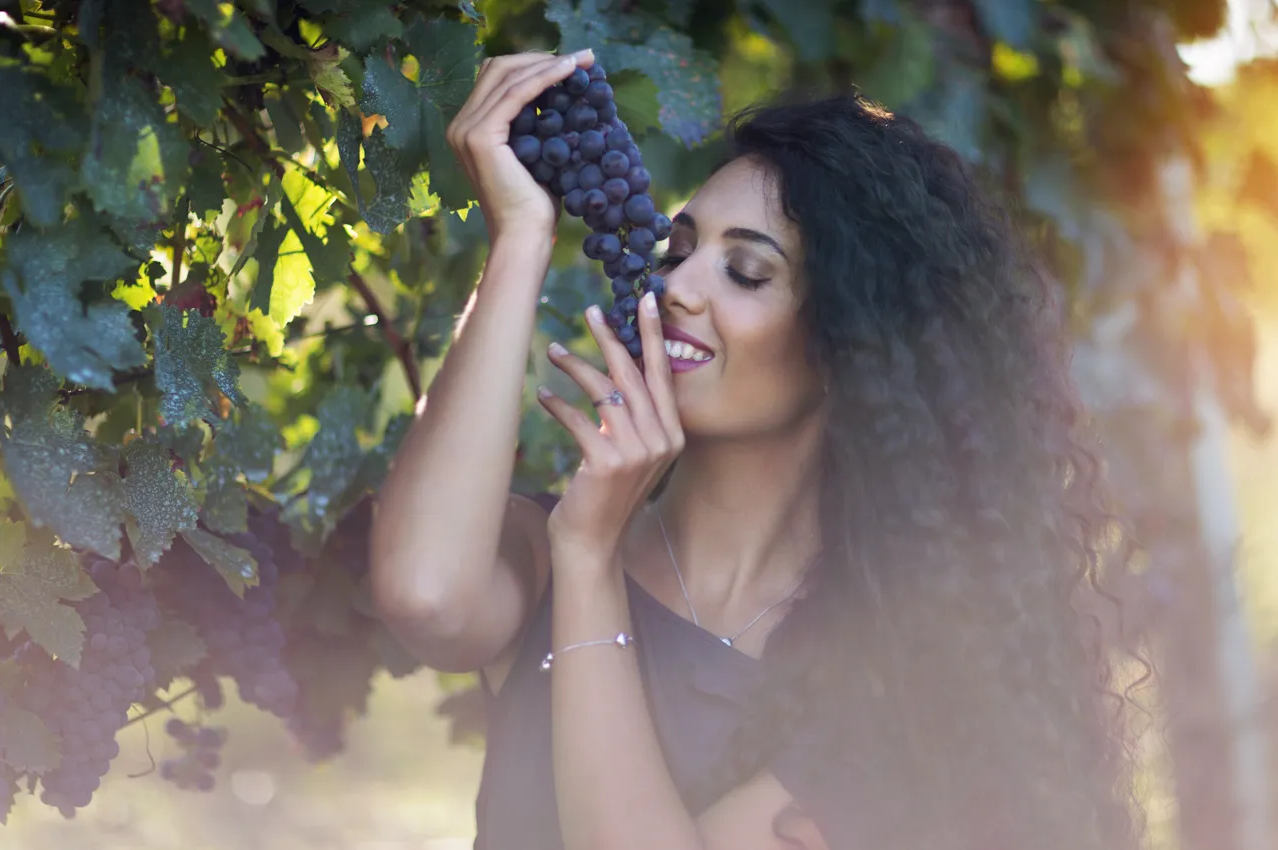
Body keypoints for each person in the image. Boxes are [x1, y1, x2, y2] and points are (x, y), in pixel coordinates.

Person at [370, 48, 1142, 850]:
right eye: (675, 251)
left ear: (848, 346)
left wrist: (592, 564)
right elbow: (425, 596)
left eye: (745, 271)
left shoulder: (891, 677)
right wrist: (520, 238)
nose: (675, 288)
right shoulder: (546, 551)